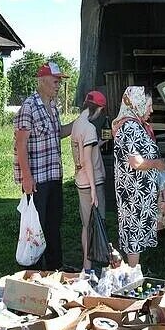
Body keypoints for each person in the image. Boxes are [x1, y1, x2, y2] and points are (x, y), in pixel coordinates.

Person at [13, 61, 74, 270]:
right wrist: (26, 177)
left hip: (54, 175)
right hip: (37, 178)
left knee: (53, 224)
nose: (58, 85)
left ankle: (55, 269)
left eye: (59, 82)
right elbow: (20, 144)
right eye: (55, 81)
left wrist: (82, 120)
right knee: (36, 227)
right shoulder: (29, 107)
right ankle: (35, 270)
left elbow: (59, 133)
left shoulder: (53, 107)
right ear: (42, 81)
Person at [112, 86, 165, 268]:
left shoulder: (136, 125)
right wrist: (157, 164)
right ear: (138, 103)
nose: (151, 110)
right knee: (133, 232)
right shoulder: (129, 127)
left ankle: (134, 271)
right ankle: (133, 273)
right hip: (133, 193)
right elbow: (135, 162)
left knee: (136, 230)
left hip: (139, 192)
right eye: (149, 105)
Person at [70, 90, 107, 271]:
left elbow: (86, 151)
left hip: (80, 181)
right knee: (96, 224)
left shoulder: (77, 124)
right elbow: (86, 161)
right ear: (97, 109)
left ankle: (86, 265)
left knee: (86, 225)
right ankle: (93, 265)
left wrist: (99, 143)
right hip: (91, 182)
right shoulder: (90, 128)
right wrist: (94, 189)